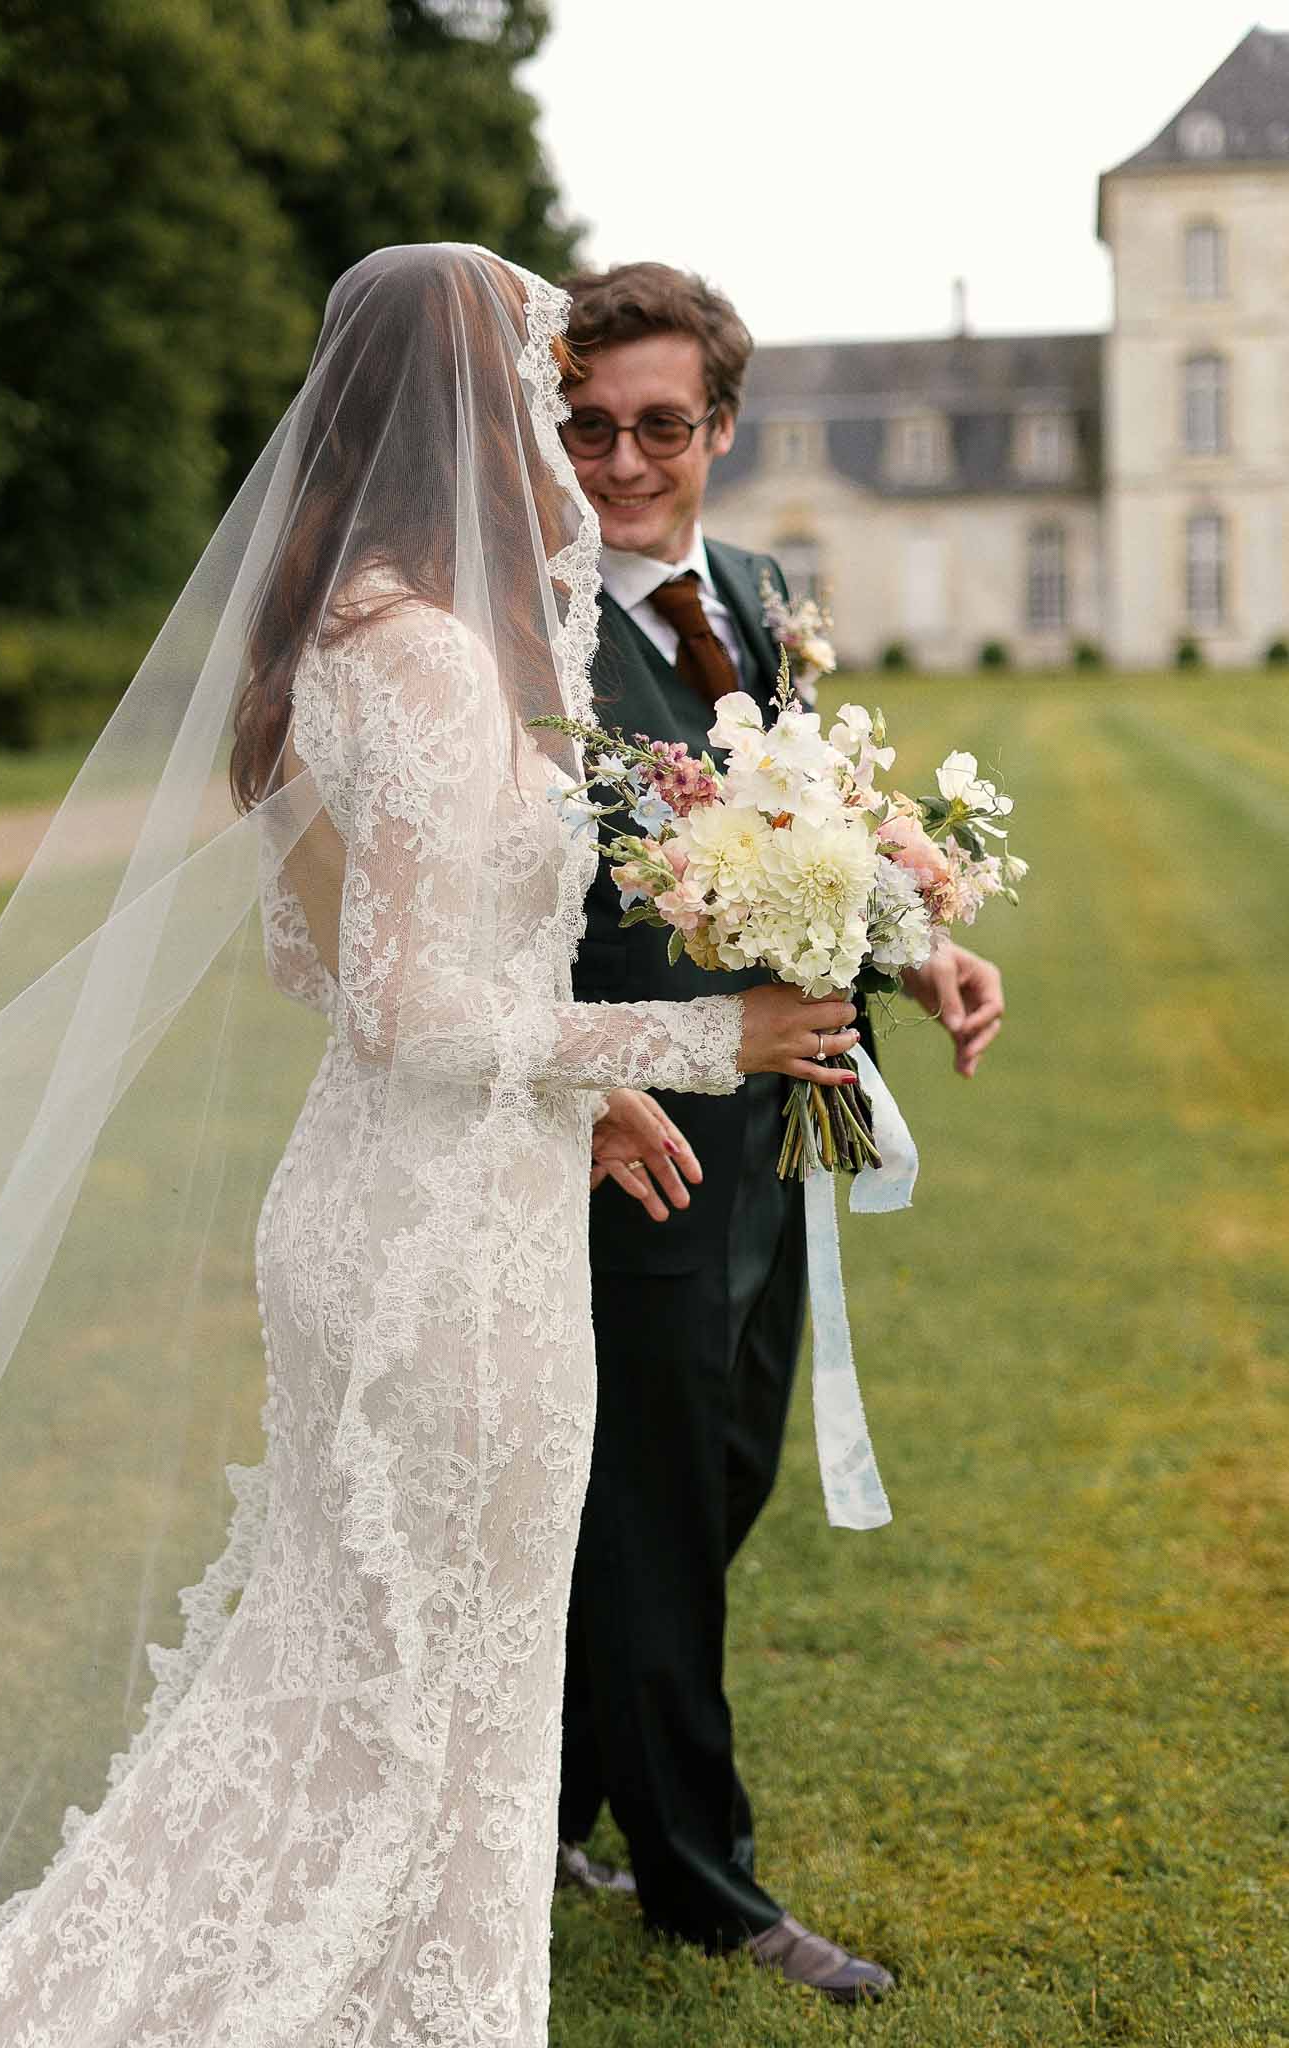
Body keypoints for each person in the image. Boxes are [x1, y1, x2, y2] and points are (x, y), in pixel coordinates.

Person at [0, 246, 866, 2048]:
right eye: (541, 388)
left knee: (367, 1689)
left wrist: (579, 1085)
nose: (563, 434)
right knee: (435, 1701)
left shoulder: (342, 632)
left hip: (401, 1209)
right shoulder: (440, 662)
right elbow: (402, 1003)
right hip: (448, 1262)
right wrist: (705, 1040)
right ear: (474, 408)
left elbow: (344, 967)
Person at [553, 262, 1006, 2004]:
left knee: (722, 1469)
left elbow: (819, 822)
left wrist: (929, 939)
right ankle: (701, 1883)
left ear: (720, 430)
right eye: (588, 426)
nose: (620, 463)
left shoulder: (753, 590)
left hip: (781, 1124)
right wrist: (598, 1076)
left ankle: (551, 1803)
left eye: (660, 425)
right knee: (656, 1504)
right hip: (629, 1125)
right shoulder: (524, 622)